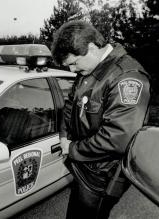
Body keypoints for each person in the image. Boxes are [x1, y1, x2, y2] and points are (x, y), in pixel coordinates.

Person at [51, 21, 151, 219]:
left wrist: (72, 149)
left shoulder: (127, 77)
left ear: (91, 48)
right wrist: (64, 137)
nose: (72, 70)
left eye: (74, 62)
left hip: (101, 176)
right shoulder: (89, 69)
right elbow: (71, 104)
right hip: (83, 166)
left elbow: (117, 139)